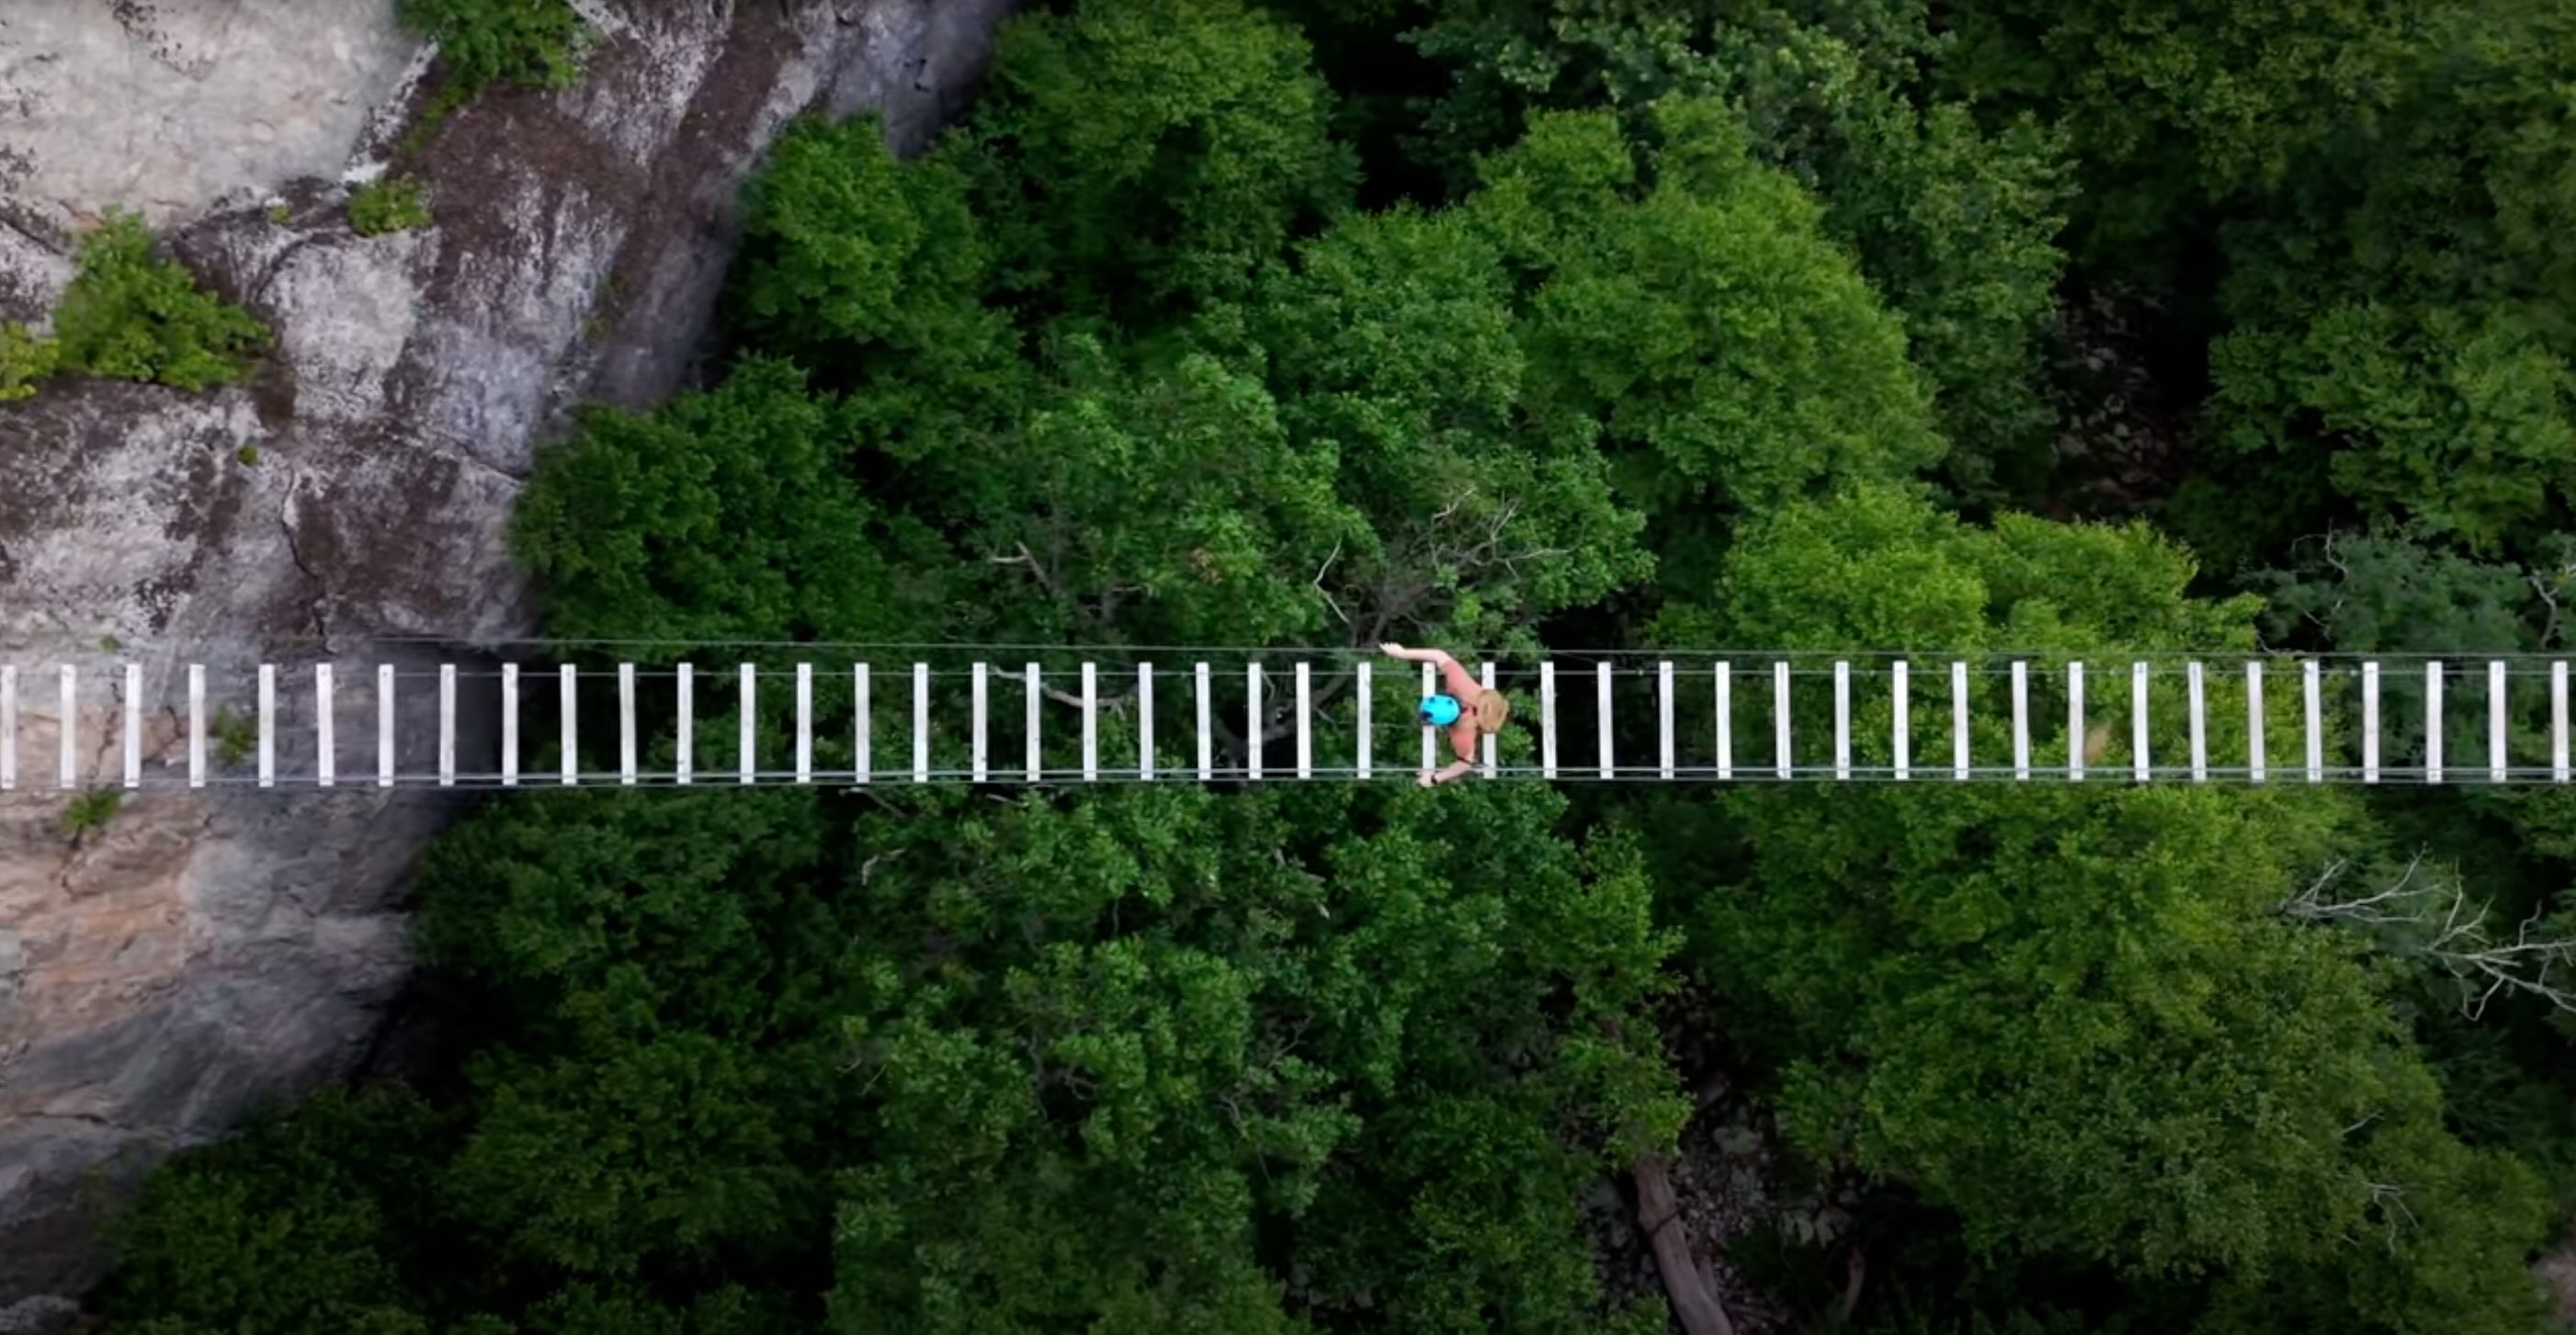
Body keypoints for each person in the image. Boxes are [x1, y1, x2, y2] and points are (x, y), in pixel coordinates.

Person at [1379, 642, 1510, 786]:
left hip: (1487, 715)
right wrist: (1402, 653)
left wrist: (1435, 779)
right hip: (1483, 699)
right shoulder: (1461, 687)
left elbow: (1466, 762)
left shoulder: (1463, 732)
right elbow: (1439, 655)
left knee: (1490, 725)